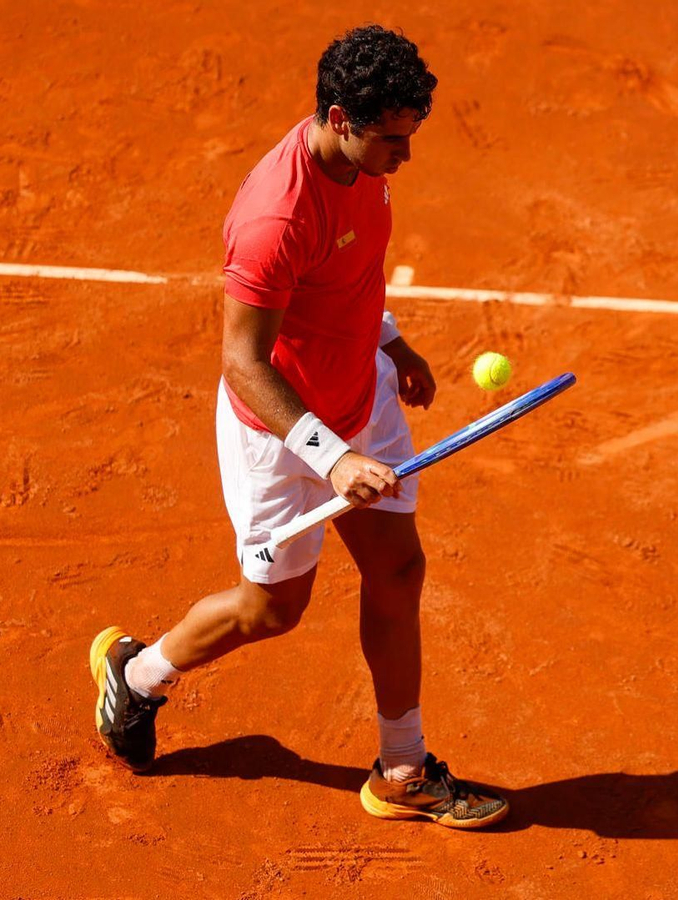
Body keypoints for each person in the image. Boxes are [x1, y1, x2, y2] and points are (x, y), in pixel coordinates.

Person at [87, 24, 508, 829]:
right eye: (393, 139)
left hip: (363, 397)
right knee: (271, 610)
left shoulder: (361, 163)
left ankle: (403, 769)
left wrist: (393, 342)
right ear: (343, 118)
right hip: (284, 432)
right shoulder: (272, 219)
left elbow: (351, 271)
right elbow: (243, 362)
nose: (405, 158)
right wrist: (333, 457)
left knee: (397, 572)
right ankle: (136, 675)